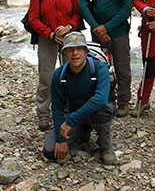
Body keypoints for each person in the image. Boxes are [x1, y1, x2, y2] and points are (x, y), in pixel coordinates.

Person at [42, 32, 116, 165]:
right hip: (73, 113)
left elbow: (100, 99)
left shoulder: (99, 69)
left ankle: (105, 146)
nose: (75, 53)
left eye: (79, 49)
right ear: (64, 53)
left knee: (103, 110)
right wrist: (60, 140)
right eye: (70, 50)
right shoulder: (59, 75)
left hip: (93, 113)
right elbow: (57, 107)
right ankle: (83, 131)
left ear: (86, 51)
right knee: (50, 152)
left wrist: (70, 121)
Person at [79, 0, 133, 118]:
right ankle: (103, 98)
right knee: (99, 66)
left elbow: (126, 7)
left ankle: (123, 101)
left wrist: (106, 28)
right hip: (97, 33)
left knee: (122, 66)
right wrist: (96, 28)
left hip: (118, 31)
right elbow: (83, 4)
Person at [28, 0, 80, 131]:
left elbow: (76, 14)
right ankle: (43, 113)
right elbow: (33, 18)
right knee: (46, 77)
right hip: (47, 38)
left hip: (67, 38)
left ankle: (69, 110)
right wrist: (49, 33)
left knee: (71, 74)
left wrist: (68, 27)